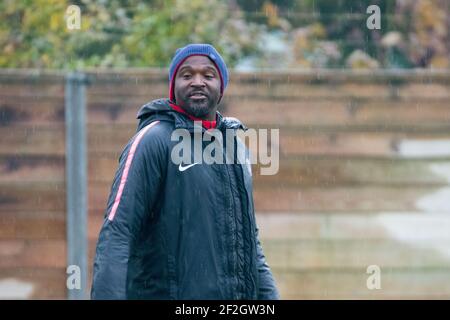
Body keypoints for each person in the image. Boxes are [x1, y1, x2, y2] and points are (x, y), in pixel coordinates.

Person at [91, 43, 279, 300]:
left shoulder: (235, 148)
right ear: (173, 86)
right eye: (187, 75)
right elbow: (118, 232)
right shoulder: (153, 140)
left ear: (221, 86)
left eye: (208, 75)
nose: (198, 82)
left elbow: (250, 244)